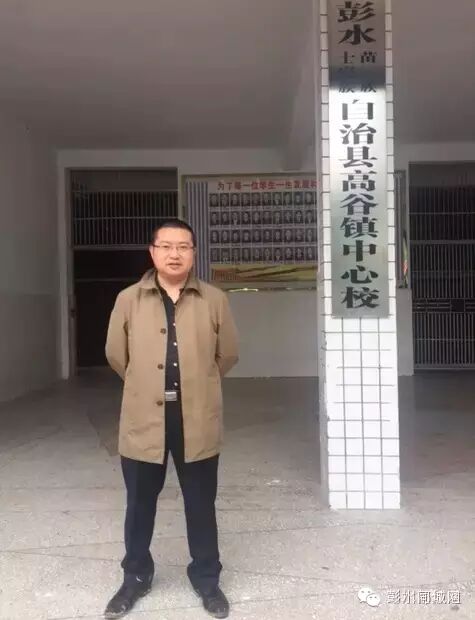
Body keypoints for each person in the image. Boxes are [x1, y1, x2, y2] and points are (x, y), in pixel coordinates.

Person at [104, 219, 239, 619]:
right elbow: (116, 355)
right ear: (153, 252)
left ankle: (207, 579)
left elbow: (228, 354)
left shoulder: (214, 299)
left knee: (201, 503)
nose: (174, 254)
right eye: (166, 246)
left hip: (196, 417)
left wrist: (199, 383)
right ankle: (135, 577)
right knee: (139, 503)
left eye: (183, 246)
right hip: (144, 419)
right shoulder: (128, 299)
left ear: (194, 253)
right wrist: (145, 384)